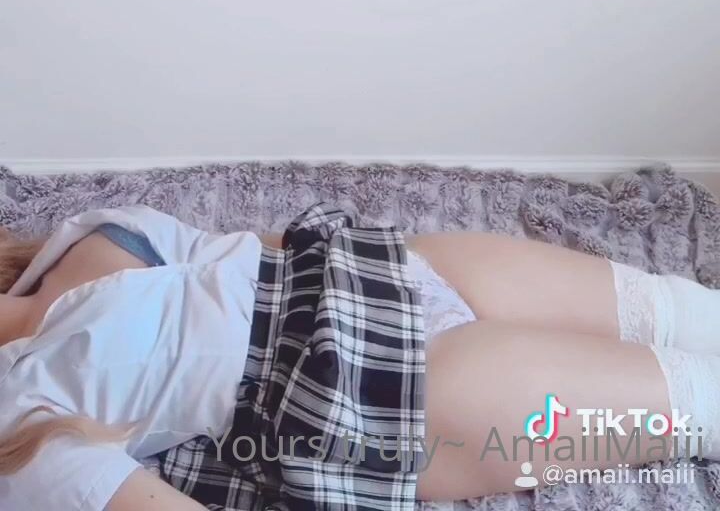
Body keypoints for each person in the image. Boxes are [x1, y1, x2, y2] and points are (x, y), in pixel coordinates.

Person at [0, 199, 719, 510]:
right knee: (703, 400)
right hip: (375, 388)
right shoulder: (15, 423)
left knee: (690, 312)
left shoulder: (60, 247)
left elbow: (239, 253)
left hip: (379, 268)